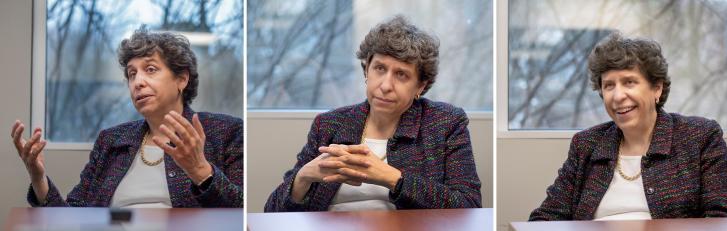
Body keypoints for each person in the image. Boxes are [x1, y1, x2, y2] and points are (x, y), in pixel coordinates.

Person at [264, 15, 481, 212]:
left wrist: (392, 177)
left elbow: (468, 206)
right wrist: (302, 178)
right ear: (366, 70)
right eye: (379, 68)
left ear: (420, 87)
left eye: (401, 75)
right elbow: (272, 212)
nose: (386, 85)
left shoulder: (445, 123)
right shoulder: (329, 124)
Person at [10, 28, 243, 208]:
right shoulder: (111, 140)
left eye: (150, 69)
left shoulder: (225, 132)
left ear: (181, 79)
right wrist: (39, 179)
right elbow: (71, 216)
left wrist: (200, 170)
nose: (138, 82)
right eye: (132, 74)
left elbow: (239, 209)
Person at [529, 32, 727, 220]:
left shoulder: (700, 137)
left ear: (656, 88)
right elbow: (546, 217)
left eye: (629, 82)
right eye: (609, 85)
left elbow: (724, 217)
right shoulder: (586, 144)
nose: (618, 96)